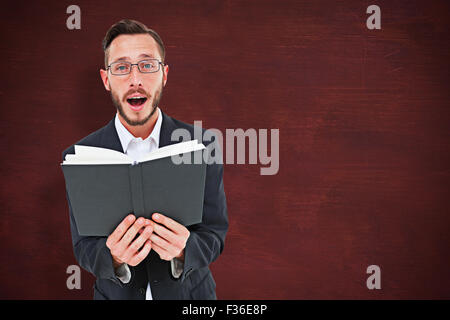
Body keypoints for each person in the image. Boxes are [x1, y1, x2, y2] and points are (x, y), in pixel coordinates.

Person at [62, 19, 228, 300]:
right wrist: (113, 258)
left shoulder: (203, 144)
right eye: (122, 67)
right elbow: (84, 247)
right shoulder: (79, 157)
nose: (135, 79)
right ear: (106, 79)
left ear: (164, 75)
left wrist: (183, 251)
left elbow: (215, 233)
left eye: (147, 65)